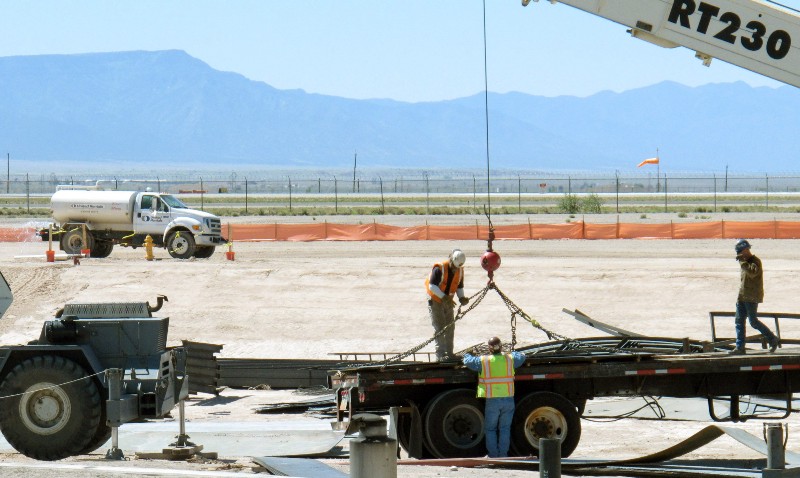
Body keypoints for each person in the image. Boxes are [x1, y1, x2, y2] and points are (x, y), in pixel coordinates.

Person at [463, 337, 526, 458]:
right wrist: (513, 352)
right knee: (505, 429)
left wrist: (467, 354)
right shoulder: (509, 359)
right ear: (501, 347)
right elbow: (521, 356)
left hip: (493, 400)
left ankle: (493, 456)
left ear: (489, 349)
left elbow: (468, 361)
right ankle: (503, 455)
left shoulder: (484, 361)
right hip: (508, 399)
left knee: (491, 429)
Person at [729, 239, 779, 355]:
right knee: (739, 321)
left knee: (753, 321)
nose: (739, 255)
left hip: (751, 297)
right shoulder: (745, 261)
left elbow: (752, 273)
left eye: (740, 252)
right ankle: (740, 347)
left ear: (746, 250)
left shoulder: (755, 261)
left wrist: (742, 261)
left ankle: (772, 339)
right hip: (742, 296)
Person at [425, 248, 469, 361]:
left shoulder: (459, 270)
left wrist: (462, 298)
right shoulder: (440, 268)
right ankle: (440, 355)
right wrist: (444, 297)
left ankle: (449, 354)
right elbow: (432, 286)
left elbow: (459, 286)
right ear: (451, 260)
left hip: (449, 301)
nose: (455, 270)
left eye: (457, 268)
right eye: (454, 267)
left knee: (450, 327)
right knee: (439, 328)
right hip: (435, 300)